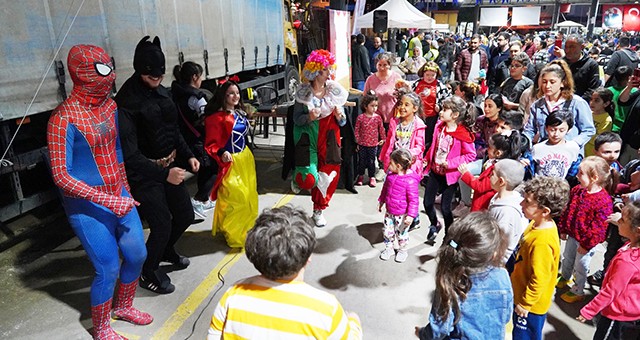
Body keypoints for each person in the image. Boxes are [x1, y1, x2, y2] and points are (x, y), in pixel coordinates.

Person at [48, 44, 152, 340]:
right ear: (81, 73)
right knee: (106, 269)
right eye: (102, 68)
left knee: (136, 254)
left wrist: (126, 192)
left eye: (110, 66)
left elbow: (116, 153)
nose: (111, 75)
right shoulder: (62, 119)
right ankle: (102, 327)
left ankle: (124, 307)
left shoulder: (110, 107)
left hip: (118, 195)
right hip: (86, 206)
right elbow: (61, 175)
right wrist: (107, 199)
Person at [116, 36, 197, 294]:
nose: (158, 81)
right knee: (161, 222)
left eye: (161, 77)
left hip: (169, 168)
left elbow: (173, 130)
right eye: (153, 77)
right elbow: (130, 155)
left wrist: (189, 154)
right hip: (145, 173)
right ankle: (148, 270)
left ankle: (164, 250)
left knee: (185, 214)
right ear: (141, 70)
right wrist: (164, 174)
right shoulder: (127, 102)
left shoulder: (162, 91)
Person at [206, 205, 363, 339]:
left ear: (253, 254)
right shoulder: (327, 308)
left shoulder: (233, 294)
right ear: (308, 257)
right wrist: (353, 324)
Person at [415, 212, 512, 339]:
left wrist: (422, 334)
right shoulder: (502, 275)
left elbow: (439, 329)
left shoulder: (451, 282)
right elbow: (506, 315)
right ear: (493, 254)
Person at [292, 49, 349, 227]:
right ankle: (299, 177)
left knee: (328, 175)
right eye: (324, 69)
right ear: (315, 72)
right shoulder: (303, 94)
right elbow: (296, 120)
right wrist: (309, 117)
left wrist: (341, 117)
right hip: (308, 138)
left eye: (328, 69)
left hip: (330, 138)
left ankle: (318, 209)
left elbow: (343, 123)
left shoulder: (334, 92)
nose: (328, 73)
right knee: (309, 178)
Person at [512, 176, 570, 340]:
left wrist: (526, 303)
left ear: (545, 211)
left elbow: (540, 278)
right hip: (522, 294)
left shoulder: (542, 242)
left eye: (527, 202)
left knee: (524, 336)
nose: (521, 204)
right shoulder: (536, 224)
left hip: (530, 306)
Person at [203, 80, 258, 248]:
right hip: (231, 162)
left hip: (245, 158)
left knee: (248, 195)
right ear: (223, 96)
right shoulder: (216, 118)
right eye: (231, 93)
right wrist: (221, 152)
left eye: (237, 93)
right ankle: (234, 233)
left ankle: (246, 228)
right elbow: (210, 144)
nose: (235, 96)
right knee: (235, 197)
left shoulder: (240, 113)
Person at [577, 201, 640, 340]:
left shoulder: (628, 261)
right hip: (631, 313)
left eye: (622, 220)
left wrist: (589, 311)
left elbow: (611, 291)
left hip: (617, 315)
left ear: (637, 230)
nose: (618, 221)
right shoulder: (633, 246)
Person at [557, 156, 616, 303]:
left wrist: (586, 244)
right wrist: (563, 228)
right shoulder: (577, 190)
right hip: (572, 234)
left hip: (585, 243)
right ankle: (565, 276)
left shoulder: (603, 200)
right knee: (568, 257)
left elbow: (599, 227)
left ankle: (578, 289)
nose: (577, 175)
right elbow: (567, 210)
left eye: (580, 173)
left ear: (594, 177)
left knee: (581, 265)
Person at [424, 96, 477, 241]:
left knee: (446, 208)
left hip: (450, 176)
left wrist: (451, 163)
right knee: (427, 202)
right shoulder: (439, 126)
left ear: (455, 115)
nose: (441, 112)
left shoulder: (463, 134)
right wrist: (426, 160)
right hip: (435, 172)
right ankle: (435, 224)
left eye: (445, 110)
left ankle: (449, 235)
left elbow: (470, 155)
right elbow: (434, 147)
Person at [171, 61, 216, 220]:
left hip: (180, 140)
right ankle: (200, 199)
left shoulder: (174, 93)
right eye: (200, 76)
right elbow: (206, 120)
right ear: (195, 77)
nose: (201, 80)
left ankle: (196, 201)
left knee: (187, 170)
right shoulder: (197, 98)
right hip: (197, 140)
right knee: (211, 168)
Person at [524, 59, 596, 151]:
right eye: (544, 82)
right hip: (546, 154)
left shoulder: (577, 103)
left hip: (570, 155)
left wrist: (574, 143)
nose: (547, 86)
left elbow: (589, 130)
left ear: (562, 83)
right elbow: (529, 130)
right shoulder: (537, 105)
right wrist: (525, 143)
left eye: (552, 82)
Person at [458, 130, 528, 212]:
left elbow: (480, 186)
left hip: (483, 205)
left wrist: (465, 173)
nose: (487, 149)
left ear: (498, 153)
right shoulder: (495, 164)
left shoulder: (497, 170)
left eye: (490, 147)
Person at [377, 149, 420, 263]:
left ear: (398, 165)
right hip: (389, 211)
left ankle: (402, 250)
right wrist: (381, 201)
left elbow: (413, 200)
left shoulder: (410, 181)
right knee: (387, 232)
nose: (388, 165)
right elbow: (385, 190)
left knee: (402, 234)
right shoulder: (390, 176)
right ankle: (389, 249)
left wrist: (411, 216)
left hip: (402, 214)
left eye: (390, 163)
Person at [488, 159, 527, 270]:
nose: (490, 176)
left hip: (500, 262)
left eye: (492, 174)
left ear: (501, 181)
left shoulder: (507, 212)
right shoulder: (498, 197)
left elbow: (504, 245)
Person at [379, 91, 426, 180]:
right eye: (401, 104)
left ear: (415, 108)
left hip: (408, 165)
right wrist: (384, 156)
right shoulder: (394, 122)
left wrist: (406, 155)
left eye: (406, 105)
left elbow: (419, 147)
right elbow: (389, 141)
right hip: (394, 164)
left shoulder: (419, 125)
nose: (402, 107)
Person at [413, 61, 451, 152]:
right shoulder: (416, 84)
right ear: (423, 74)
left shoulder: (440, 86)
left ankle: (426, 155)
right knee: (416, 136)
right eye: (427, 75)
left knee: (428, 138)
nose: (430, 77)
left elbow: (448, 100)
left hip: (432, 116)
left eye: (432, 75)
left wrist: (440, 106)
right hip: (417, 115)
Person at [532, 111, 581, 179]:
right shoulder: (537, 148)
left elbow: (573, 173)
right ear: (546, 128)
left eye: (561, 130)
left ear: (569, 130)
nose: (556, 134)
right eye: (552, 130)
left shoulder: (573, 148)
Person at [552, 34, 601, 102]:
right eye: (566, 47)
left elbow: (593, 89)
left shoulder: (591, 64)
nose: (568, 50)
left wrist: (576, 103)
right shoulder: (560, 63)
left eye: (572, 47)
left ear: (582, 47)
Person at [364, 52, 403, 126]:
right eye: (379, 65)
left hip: (394, 118)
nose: (382, 68)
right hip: (375, 119)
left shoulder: (396, 77)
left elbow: (403, 96)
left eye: (385, 65)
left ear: (389, 65)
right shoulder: (370, 79)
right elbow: (365, 98)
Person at [354, 91, 385, 187]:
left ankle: (372, 177)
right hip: (362, 144)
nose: (374, 108)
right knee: (362, 161)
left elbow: (381, 129)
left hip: (373, 144)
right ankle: (361, 176)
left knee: (372, 161)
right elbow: (357, 130)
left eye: (376, 106)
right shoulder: (360, 118)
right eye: (372, 106)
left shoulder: (378, 118)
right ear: (365, 106)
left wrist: (383, 139)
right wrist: (357, 142)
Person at [585, 88, 614, 157]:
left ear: (606, 103)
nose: (592, 103)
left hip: (592, 153)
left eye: (596, 101)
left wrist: (585, 134)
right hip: (583, 148)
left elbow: (599, 139)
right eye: (591, 99)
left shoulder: (606, 119)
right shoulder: (588, 113)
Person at [608, 66, 636, 134]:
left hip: (610, 126)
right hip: (626, 128)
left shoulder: (608, 90)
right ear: (629, 77)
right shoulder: (634, 91)